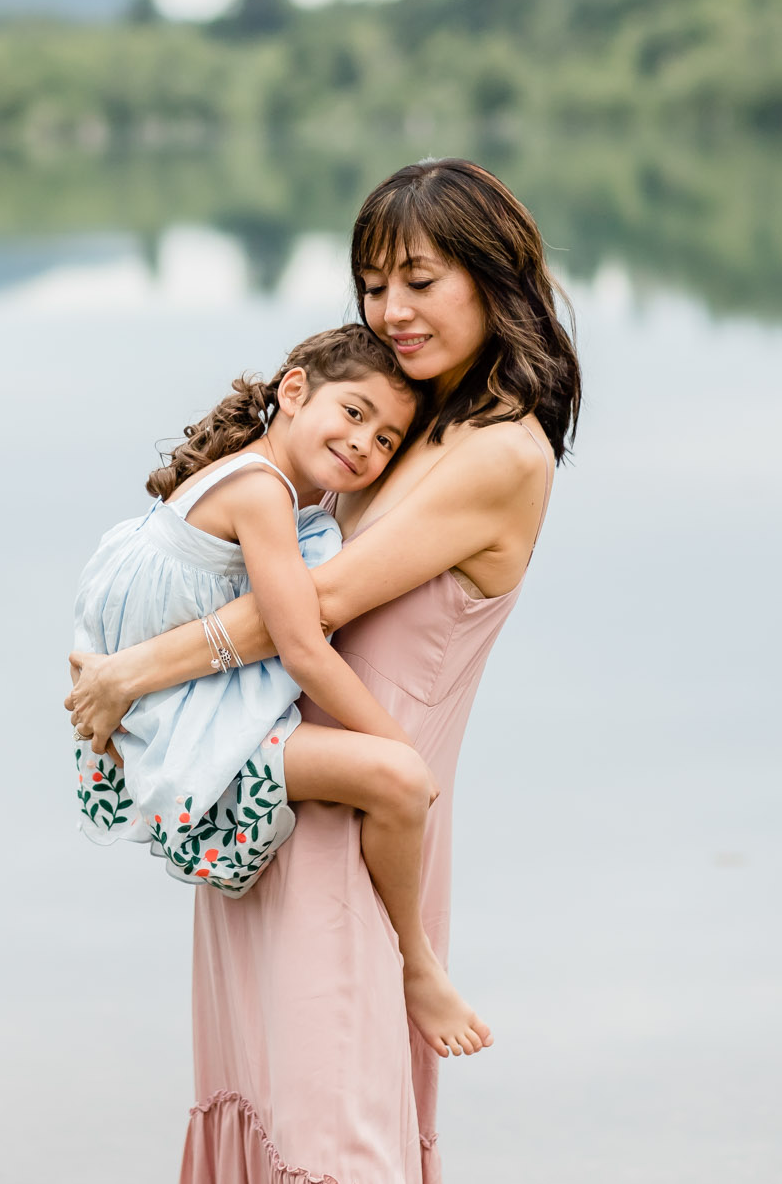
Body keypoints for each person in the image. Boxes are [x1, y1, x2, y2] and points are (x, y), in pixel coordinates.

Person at [66, 158, 581, 1184]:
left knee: (331, 1139)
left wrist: (126, 676)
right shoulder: (401, 427)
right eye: (372, 283)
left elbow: (316, 611)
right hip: (271, 793)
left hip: (359, 829)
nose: (390, 309)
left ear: (493, 279)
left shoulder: (498, 451)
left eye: (419, 281)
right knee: (268, 1112)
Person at [72, 326, 484, 1058]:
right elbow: (302, 646)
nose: (366, 445)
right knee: (397, 781)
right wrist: (399, 744)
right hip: (179, 720)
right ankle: (417, 962)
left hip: (173, 701)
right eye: (354, 413)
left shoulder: (267, 480)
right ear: (294, 390)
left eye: (388, 440)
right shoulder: (262, 491)